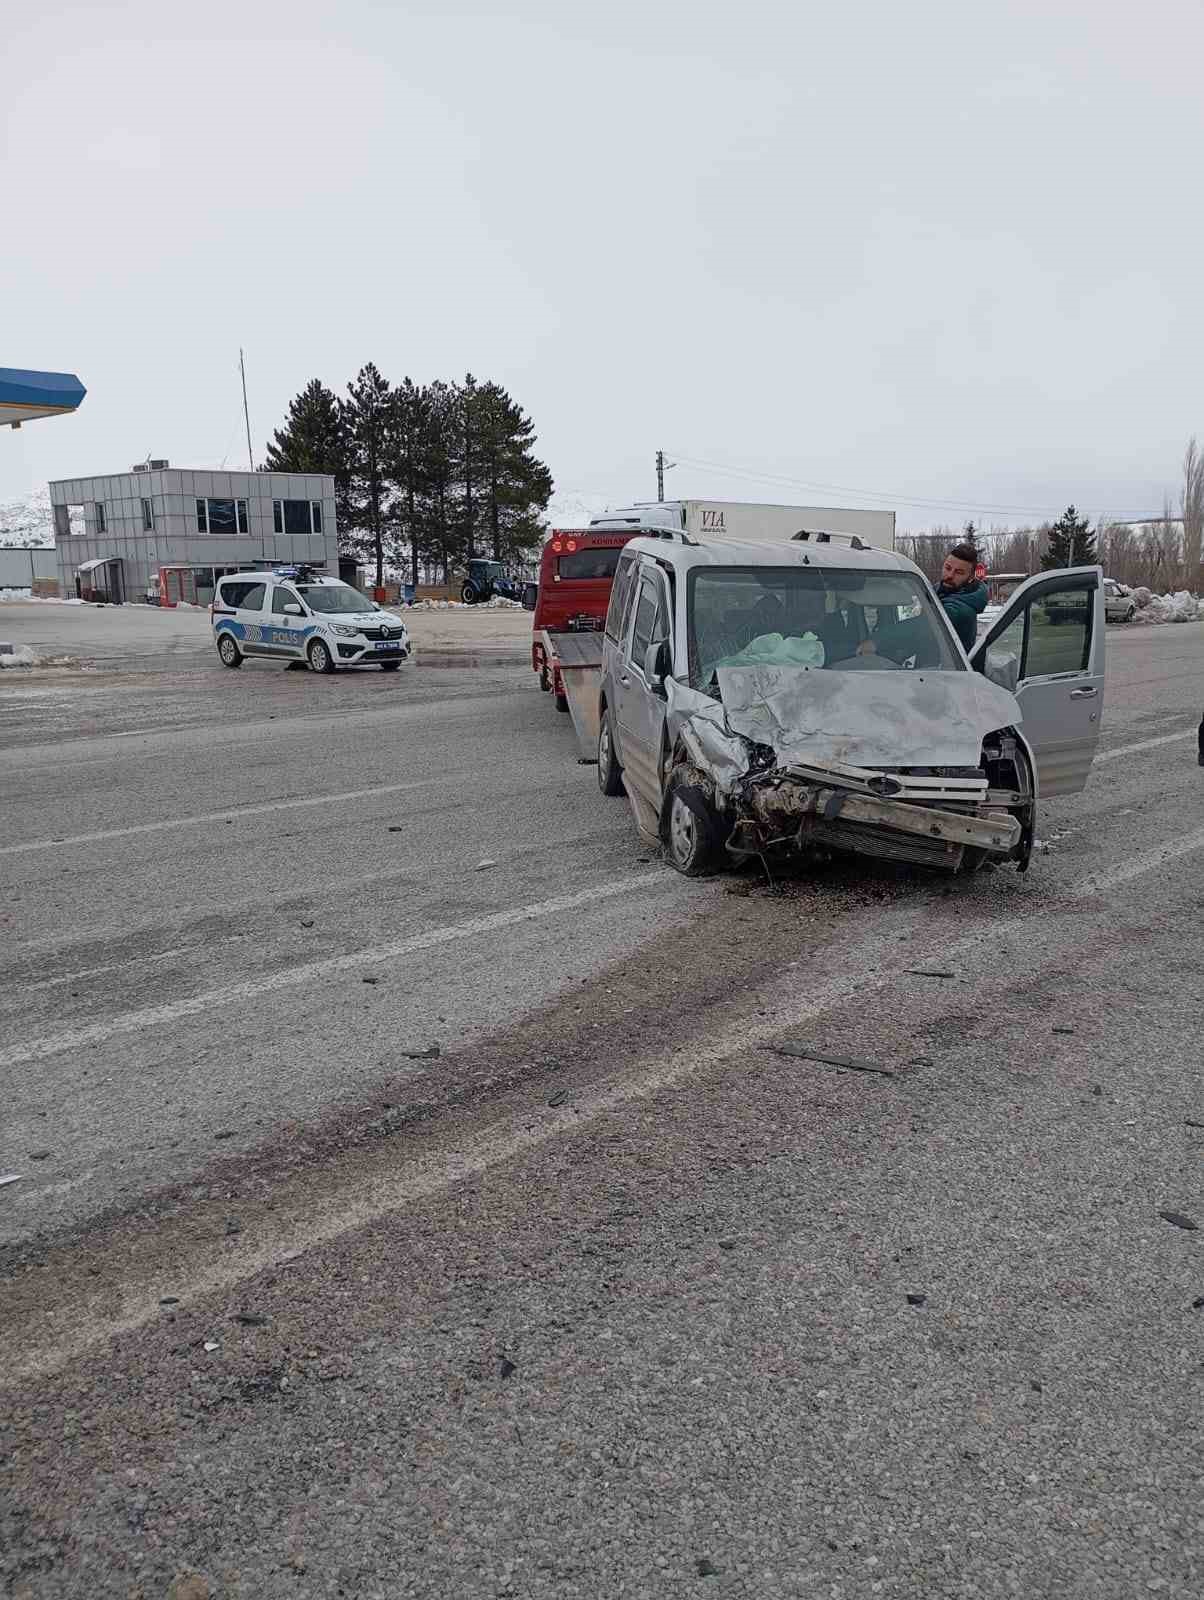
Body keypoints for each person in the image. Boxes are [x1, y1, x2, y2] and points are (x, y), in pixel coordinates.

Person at [936, 542, 989, 650]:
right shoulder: (943, 591)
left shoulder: (957, 610)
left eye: (959, 572)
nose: (950, 575)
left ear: (970, 578)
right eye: (947, 568)